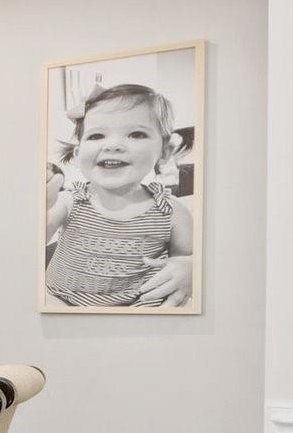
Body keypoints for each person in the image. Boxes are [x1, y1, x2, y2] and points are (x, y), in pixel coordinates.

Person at [45, 80, 193, 307]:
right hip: (59, 299)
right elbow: (32, 243)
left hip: (134, 307)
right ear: (77, 153)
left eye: (135, 134)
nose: (112, 145)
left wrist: (190, 269)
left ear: (164, 152)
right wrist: (41, 207)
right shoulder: (70, 200)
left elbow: (186, 257)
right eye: (96, 136)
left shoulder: (172, 212)